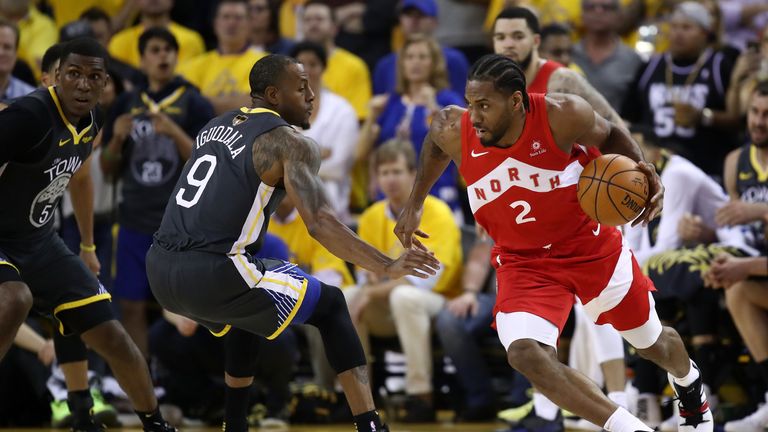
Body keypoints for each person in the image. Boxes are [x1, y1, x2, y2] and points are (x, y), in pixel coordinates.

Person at [394, 53, 713, 432]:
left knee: (651, 343)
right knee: (526, 355)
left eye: (484, 106)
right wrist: (415, 204)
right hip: (523, 262)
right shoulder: (453, 126)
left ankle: (689, 382)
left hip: (590, 248)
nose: (474, 116)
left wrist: (646, 171)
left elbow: (610, 133)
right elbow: (434, 143)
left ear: (516, 101)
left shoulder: (562, 115)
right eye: (470, 104)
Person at [146, 54, 440, 432]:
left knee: (246, 311)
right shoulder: (289, 143)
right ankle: (371, 427)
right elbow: (320, 223)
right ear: (273, 94)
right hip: (213, 271)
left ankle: (234, 425)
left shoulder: (214, 126)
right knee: (332, 304)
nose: (311, 95)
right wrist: (386, 264)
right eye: (301, 88)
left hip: (161, 271)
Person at [0, 37, 176, 432]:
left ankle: (154, 424)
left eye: (93, 76)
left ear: (105, 83)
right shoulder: (27, 116)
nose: (83, 84)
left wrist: (87, 246)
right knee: (15, 298)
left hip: (40, 241)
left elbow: (79, 178)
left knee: (110, 333)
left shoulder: (93, 119)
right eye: (74, 74)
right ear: (55, 78)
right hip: (2, 241)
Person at [100, 27, 214, 358]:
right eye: (154, 49)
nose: (162, 55)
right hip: (134, 219)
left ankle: (180, 379)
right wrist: (118, 139)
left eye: (168, 49)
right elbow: (107, 169)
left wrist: (174, 131)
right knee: (131, 304)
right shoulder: (125, 102)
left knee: (185, 307)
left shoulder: (194, 101)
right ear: (142, 58)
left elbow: (207, 161)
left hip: (180, 222)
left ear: (177, 56)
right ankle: (144, 382)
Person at [493, 6, 623, 126]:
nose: (508, 44)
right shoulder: (489, 83)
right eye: (500, 37)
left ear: (536, 41)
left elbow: (616, 126)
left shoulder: (563, 79)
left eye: (518, 37)